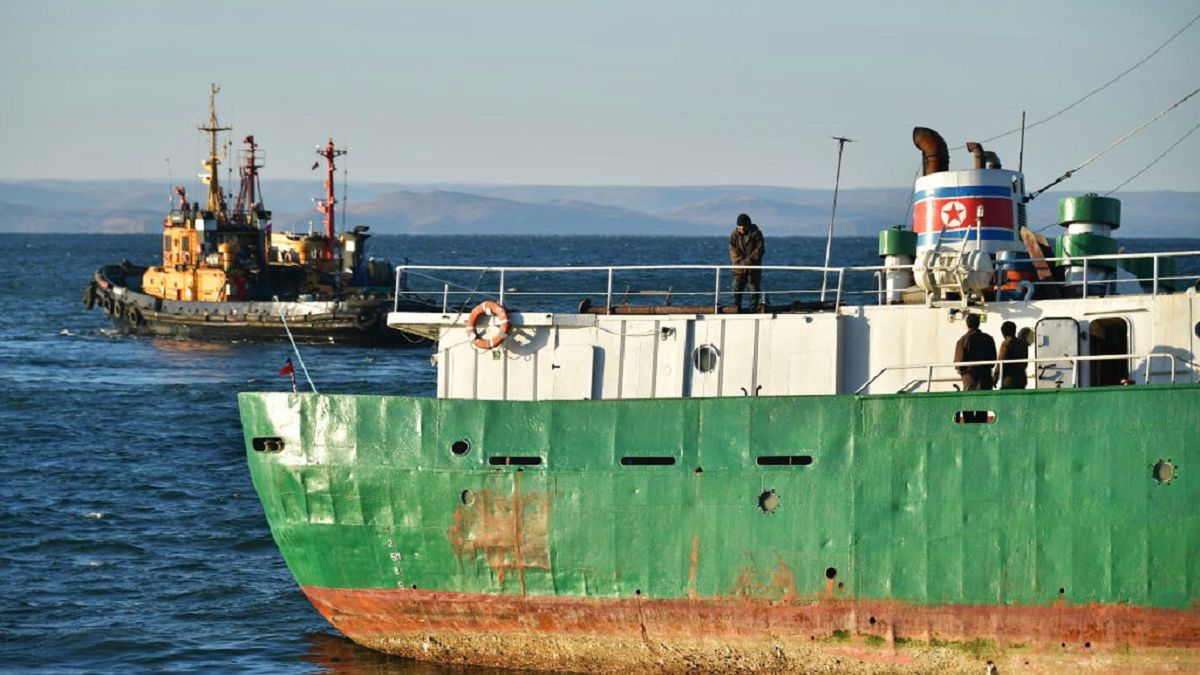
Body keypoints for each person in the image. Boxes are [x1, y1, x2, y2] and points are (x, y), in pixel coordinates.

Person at [728, 213, 765, 311]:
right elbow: (732, 251)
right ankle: (735, 310)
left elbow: (759, 250)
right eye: (739, 227)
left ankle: (753, 311)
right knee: (736, 291)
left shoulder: (756, 234)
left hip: (753, 269)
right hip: (738, 269)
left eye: (743, 227)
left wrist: (748, 261)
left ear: (748, 225)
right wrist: (741, 262)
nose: (741, 229)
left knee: (754, 292)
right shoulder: (734, 235)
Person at [954, 313, 996, 390]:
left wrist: (962, 372)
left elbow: (958, 363)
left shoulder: (962, 341)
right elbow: (993, 361)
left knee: (970, 401)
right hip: (986, 379)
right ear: (978, 324)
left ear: (967, 324)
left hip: (970, 380)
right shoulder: (989, 339)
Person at [993, 321, 1029, 389]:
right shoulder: (1023, 344)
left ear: (1003, 333)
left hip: (1009, 380)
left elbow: (1000, 363)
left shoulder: (1006, 344)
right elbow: (1025, 363)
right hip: (1021, 378)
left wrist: (995, 378)